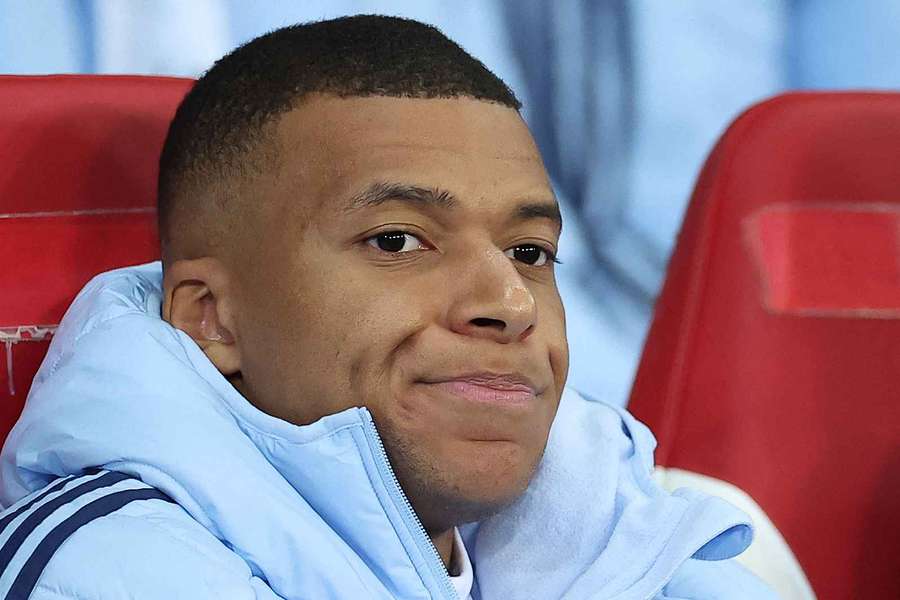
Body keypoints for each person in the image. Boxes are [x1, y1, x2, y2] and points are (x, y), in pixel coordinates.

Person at [0, 15, 775, 599]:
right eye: (398, 241)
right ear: (212, 319)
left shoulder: (629, 530)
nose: (508, 302)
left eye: (530, 252)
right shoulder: (111, 569)